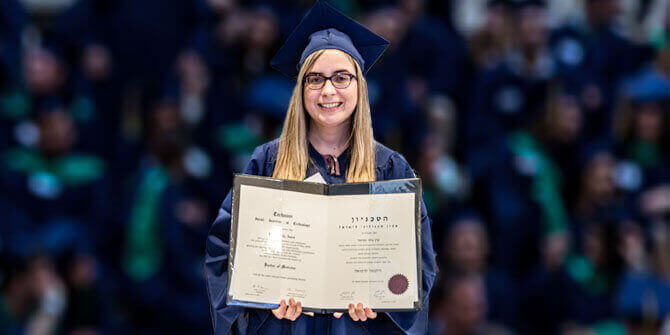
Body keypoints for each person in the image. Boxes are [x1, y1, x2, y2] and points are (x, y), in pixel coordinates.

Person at [204, 1, 437, 334]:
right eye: (315, 79)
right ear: (301, 90)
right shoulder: (267, 162)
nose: (328, 91)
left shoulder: (390, 168)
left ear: (360, 85)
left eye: (342, 78)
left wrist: (381, 304)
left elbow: (416, 264)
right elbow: (224, 250)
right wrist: (265, 304)